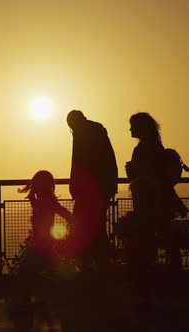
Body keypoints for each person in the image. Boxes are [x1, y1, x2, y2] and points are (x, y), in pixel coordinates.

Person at [8, 170, 74, 329]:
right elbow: (51, 212)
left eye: (36, 183)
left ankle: (25, 304)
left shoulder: (47, 200)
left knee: (25, 270)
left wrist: (72, 219)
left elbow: (54, 212)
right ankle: (63, 296)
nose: (34, 186)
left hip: (41, 245)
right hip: (42, 244)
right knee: (49, 270)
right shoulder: (44, 200)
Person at [125, 112, 185, 273]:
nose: (130, 129)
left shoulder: (142, 149)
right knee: (164, 233)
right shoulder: (156, 146)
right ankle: (173, 268)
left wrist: (131, 170)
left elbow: (142, 176)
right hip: (160, 198)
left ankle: (148, 269)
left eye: (133, 126)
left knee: (147, 234)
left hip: (148, 200)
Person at [66, 110, 118, 272]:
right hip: (102, 188)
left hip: (88, 191)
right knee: (97, 227)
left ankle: (89, 267)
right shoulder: (97, 132)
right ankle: (100, 265)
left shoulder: (82, 134)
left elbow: (79, 163)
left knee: (83, 227)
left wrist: (74, 186)